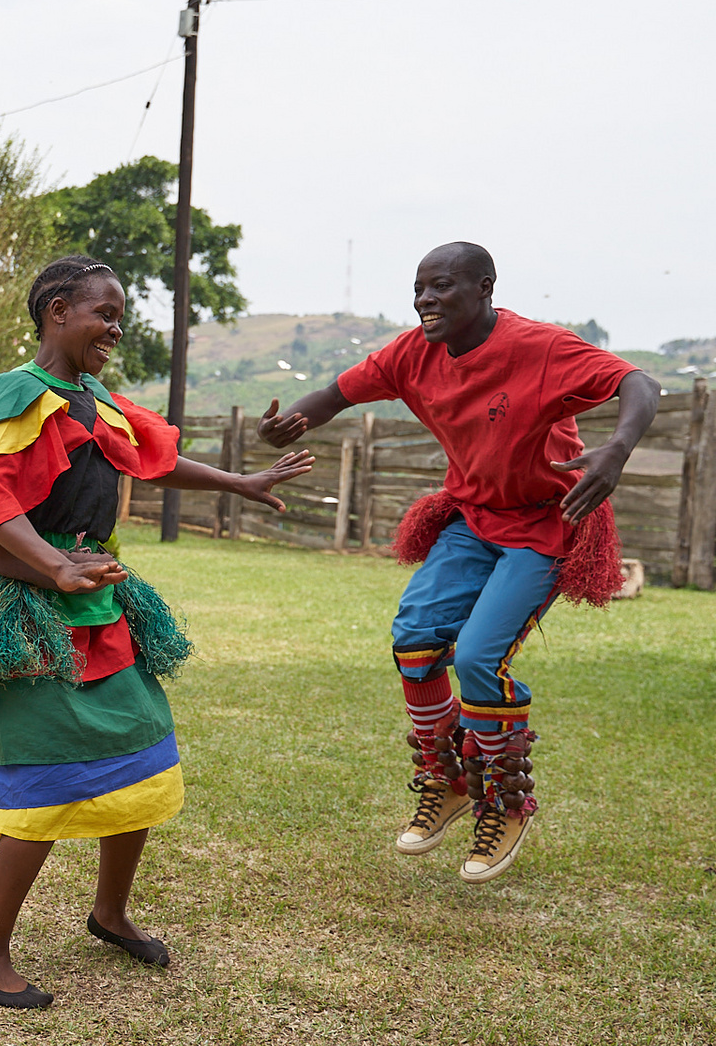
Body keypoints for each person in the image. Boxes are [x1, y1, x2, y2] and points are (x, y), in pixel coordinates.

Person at [0, 254, 311, 1009]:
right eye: (105, 314)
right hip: (24, 608)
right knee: (41, 775)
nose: (115, 328)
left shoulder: (95, 399)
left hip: (95, 602)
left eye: (120, 317)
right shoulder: (11, 394)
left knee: (139, 753)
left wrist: (238, 482)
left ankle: (109, 913)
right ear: (57, 311)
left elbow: (156, 460)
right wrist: (53, 567)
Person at [258, 242, 658, 884]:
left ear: (484, 287)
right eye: (419, 289)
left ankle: (503, 800)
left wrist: (616, 449)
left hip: (542, 525)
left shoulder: (542, 347)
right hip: (472, 520)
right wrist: (292, 422)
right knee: (414, 641)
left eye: (441, 287)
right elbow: (337, 394)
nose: (426, 300)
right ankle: (445, 781)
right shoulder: (413, 351)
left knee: (476, 659)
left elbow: (640, 382)